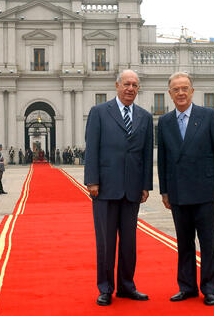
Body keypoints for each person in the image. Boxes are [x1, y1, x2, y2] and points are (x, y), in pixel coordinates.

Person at [158, 72, 214, 306]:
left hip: (206, 191)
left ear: (192, 91)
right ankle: (187, 287)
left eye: (185, 88)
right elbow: (164, 159)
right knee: (184, 242)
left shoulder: (208, 116)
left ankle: (209, 288)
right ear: (170, 94)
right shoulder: (165, 122)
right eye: (176, 89)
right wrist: (165, 191)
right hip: (178, 193)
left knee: (208, 242)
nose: (181, 93)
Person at [84, 69, 153, 306]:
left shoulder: (144, 116)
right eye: (126, 84)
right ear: (117, 85)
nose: (130, 89)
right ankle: (105, 288)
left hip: (132, 190)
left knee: (129, 243)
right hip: (104, 189)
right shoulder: (99, 112)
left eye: (134, 85)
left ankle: (126, 286)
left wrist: (146, 185)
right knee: (105, 243)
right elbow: (92, 148)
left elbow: (146, 154)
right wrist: (92, 180)